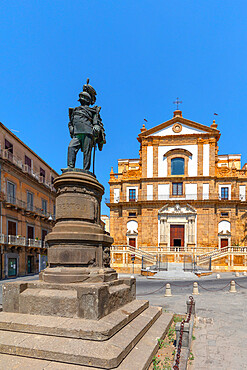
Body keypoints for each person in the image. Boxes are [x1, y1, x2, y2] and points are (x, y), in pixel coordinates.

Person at [67, 79, 106, 171]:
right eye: (81, 98)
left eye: (84, 98)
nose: (82, 99)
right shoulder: (75, 110)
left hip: (88, 132)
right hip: (77, 133)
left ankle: (86, 169)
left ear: (87, 100)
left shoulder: (93, 111)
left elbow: (96, 123)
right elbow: (70, 122)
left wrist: (96, 128)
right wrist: (71, 129)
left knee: (87, 152)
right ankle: (70, 166)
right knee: (71, 147)